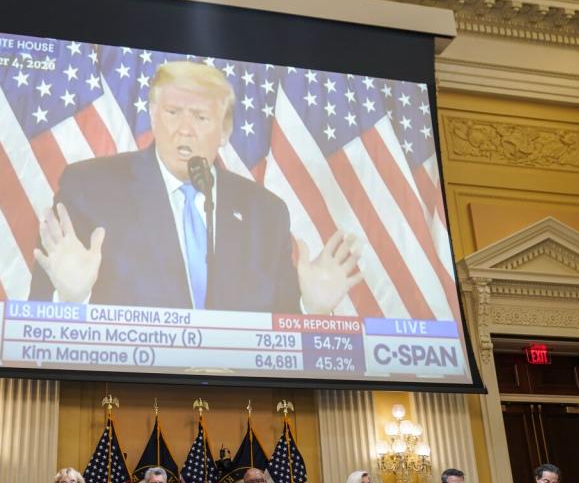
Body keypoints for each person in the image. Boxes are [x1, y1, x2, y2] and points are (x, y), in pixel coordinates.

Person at [29, 60, 362, 313]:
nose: (184, 130)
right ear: (153, 115)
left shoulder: (266, 212)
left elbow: (279, 335)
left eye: (201, 118)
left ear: (225, 130)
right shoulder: (91, 188)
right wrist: (71, 299)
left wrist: (312, 309)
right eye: (173, 112)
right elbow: (39, 323)